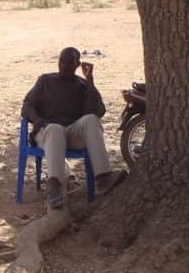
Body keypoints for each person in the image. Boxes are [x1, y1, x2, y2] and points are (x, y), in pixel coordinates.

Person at [21, 47, 127, 209]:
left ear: (77, 65)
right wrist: (38, 120)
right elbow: (27, 106)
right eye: (62, 61)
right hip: (47, 133)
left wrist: (90, 82)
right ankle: (54, 188)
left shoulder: (82, 85)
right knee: (55, 129)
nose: (64, 66)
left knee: (91, 120)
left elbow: (97, 111)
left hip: (71, 133)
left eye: (69, 63)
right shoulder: (45, 81)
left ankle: (103, 178)